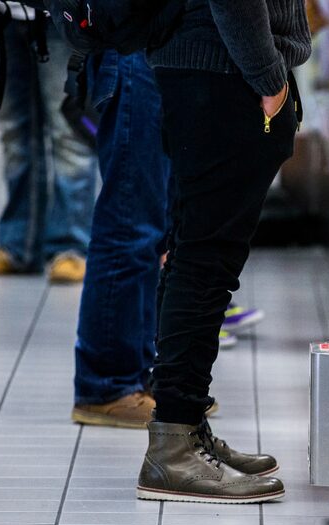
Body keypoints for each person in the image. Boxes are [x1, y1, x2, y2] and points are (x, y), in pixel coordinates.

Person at [135, 0, 311, 504]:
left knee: (194, 251)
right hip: (224, 73)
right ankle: (172, 445)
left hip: (202, 67)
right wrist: (268, 79)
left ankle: (183, 428)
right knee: (205, 262)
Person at [70, 51, 267, 428]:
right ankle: (106, 385)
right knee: (129, 220)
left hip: (150, 55)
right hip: (132, 56)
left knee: (151, 229)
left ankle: (135, 373)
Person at [0, 11, 97, 284]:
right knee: (15, 133)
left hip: (61, 14)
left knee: (68, 133)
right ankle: (18, 246)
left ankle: (72, 246)